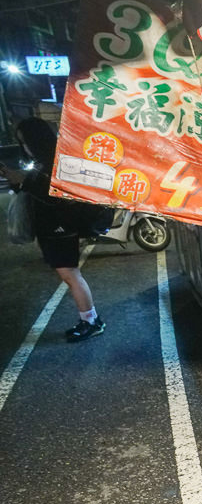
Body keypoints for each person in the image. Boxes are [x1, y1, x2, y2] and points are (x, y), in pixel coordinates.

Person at [1, 118, 105, 342]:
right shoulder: (41, 161)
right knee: (69, 275)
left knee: (70, 275)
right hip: (51, 229)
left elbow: (59, 197)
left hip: (61, 228)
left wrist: (26, 182)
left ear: (36, 139)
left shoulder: (56, 161)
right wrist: (16, 180)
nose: (25, 147)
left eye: (26, 142)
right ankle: (89, 318)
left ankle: (91, 321)